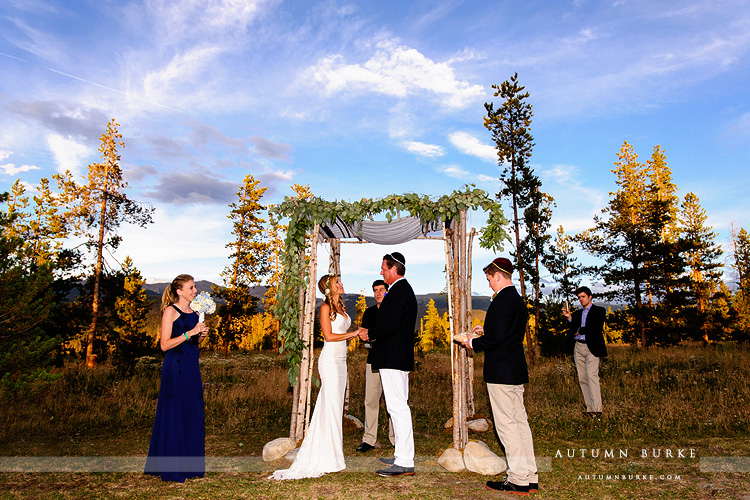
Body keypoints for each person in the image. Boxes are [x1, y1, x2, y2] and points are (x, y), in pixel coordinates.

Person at [461, 257, 538, 495]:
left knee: (507, 426)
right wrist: (487, 330)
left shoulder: (501, 301)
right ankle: (530, 475)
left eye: (489, 279)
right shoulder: (517, 300)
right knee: (520, 423)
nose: (489, 284)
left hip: (501, 371)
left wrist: (470, 341)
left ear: (497, 276)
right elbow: (507, 333)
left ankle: (517, 479)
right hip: (515, 368)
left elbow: (496, 340)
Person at [271, 274, 359, 480]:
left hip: (341, 361)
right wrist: (352, 334)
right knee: (329, 406)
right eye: (337, 282)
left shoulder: (341, 308)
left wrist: (357, 332)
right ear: (328, 287)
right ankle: (326, 457)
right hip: (329, 361)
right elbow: (328, 336)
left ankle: (334, 455)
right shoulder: (325, 308)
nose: (341, 284)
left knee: (336, 408)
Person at [357, 252, 418, 477]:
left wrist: (369, 334)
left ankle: (404, 461)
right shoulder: (402, 291)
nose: (381, 272)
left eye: (383, 268)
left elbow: (390, 326)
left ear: (394, 269)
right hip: (396, 357)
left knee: (398, 408)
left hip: (392, 357)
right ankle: (401, 454)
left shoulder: (399, 292)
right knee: (398, 406)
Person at [145, 274, 209, 482]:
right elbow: (164, 345)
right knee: (174, 414)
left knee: (191, 413)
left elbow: (193, 342)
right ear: (179, 291)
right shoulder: (170, 312)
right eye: (191, 288)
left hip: (191, 368)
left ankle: (190, 465)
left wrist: (200, 335)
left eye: (195, 287)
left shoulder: (196, 312)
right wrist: (190, 333)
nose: (195, 291)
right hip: (175, 368)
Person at [356, 279, 395, 453]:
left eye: (381, 290)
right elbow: (363, 335)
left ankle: (396, 439)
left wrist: (374, 336)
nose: (378, 293)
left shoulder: (394, 310)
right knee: (370, 400)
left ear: (387, 291)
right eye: (375, 290)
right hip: (373, 360)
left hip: (391, 362)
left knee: (393, 402)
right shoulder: (369, 312)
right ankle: (369, 439)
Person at [563, 285, 607, 417]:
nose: (581, 299)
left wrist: (580, 330)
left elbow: (596, 327)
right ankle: (590, 409)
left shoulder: (599, 311)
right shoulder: (577, 314)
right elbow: (573, 328)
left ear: (590, 297)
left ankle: (597, 409)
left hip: (592, 347)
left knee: (592, 376)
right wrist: (569, 317)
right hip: (579, 346)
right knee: (582, 378)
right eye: (579, 298)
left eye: (583, 297)